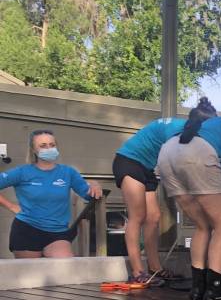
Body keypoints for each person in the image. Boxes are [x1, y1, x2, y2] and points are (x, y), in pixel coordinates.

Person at [156, 98, 221, 300]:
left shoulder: (199, 128)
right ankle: (214, 290)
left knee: (202, 226)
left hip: (167, 153)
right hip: (197, 153)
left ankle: (198, 289)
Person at [0, 130, 103, 258]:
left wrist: (94, 184)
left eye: (52, 145)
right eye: (43, 145)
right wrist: (11, 206)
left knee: (65, 266)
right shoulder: (22, 172)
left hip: (58, 232)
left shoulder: (68, 172)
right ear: (33, 150)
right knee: (31, 270)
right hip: (27, 230)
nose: (48, 148)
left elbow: (89, 194)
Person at [113, 117, 185, 284]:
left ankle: (155, 268)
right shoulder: (176, 130)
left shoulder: (183, 129)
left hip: (146, 167)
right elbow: (173, 163)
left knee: (153, 217)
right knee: (137, 216)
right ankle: (137, 272)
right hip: (129, 161)